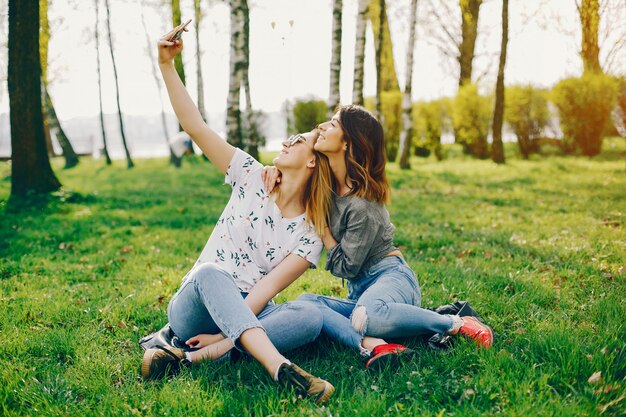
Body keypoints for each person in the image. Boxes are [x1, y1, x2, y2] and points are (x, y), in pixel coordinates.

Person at [140, 26, 334, 405]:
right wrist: (167, 66)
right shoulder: (249, 174)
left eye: (298, 140)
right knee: (211, 273)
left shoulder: (309, 234)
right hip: (197, 306)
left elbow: (263, 292)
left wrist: (226, 335)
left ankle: (196, 356)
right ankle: (279, 367)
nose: (286, 141)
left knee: (310, 316)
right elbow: (195, 127)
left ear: (312, 161)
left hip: (247, 311)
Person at [263, 105, 494, 369]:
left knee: (368, 314)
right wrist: (272, 171)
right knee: (308, 303)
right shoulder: (327, 182)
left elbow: (346, 268)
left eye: (333, 124)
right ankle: (381, 346)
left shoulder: (363, 204)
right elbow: (295, 162)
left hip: (391, 279)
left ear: (348, 143)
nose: (323, 127)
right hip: (361, 293)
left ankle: (456, 323)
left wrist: (323, 229)